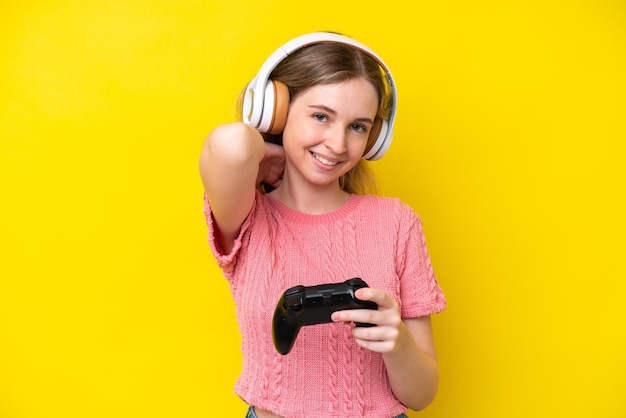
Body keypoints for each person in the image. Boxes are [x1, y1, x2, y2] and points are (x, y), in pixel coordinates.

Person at [199, 32, 446, 418]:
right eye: (320, 116)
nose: (336, 143)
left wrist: (398, 344)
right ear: (276, 113)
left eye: (358, 127)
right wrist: (273, 152)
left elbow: (422, 395)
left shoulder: (397, 222)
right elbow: (230, 145)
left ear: (374, 138)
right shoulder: (249, 217)